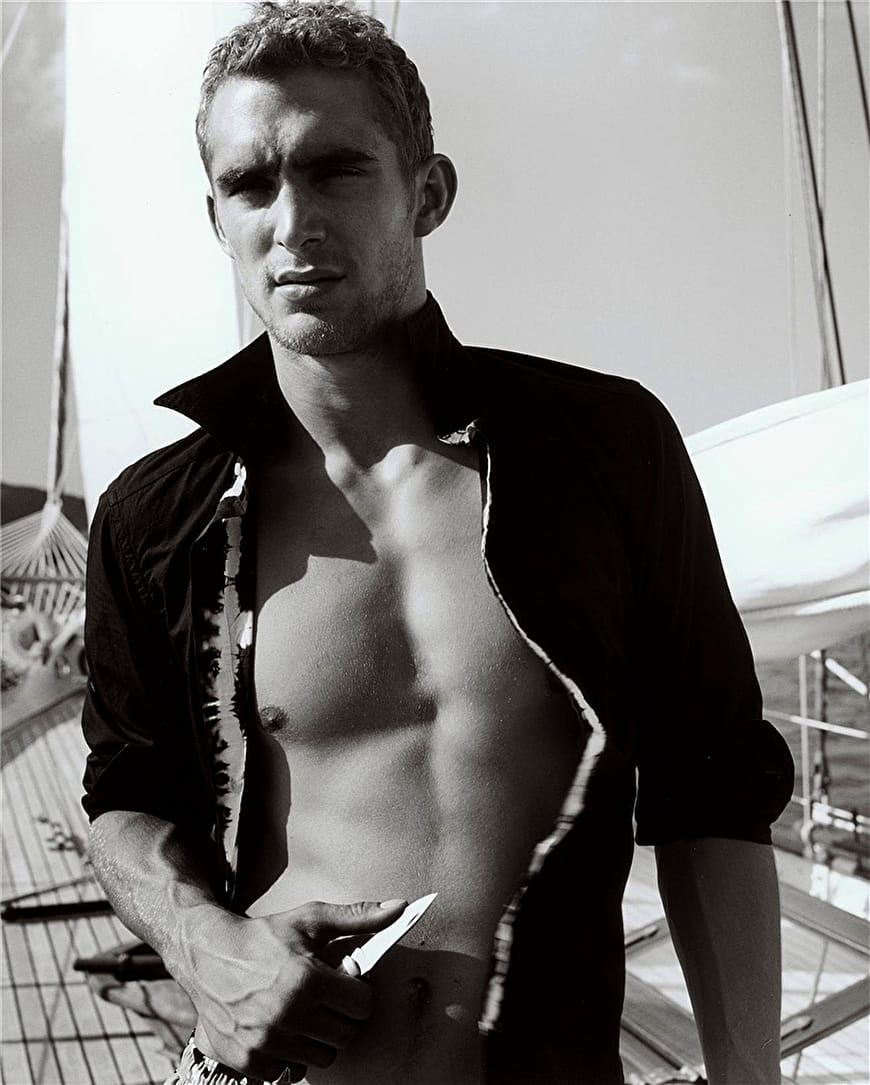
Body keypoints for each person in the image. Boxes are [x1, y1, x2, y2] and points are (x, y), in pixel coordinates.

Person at [81, 3, 794, 1083]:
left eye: (335, 170)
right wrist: (201, 944)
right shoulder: (157, 515)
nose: (291, 221)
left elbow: (713, 785)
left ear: (428, 193)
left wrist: (751, 1075)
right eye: (250, 185)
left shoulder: (606, 449)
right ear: (216, 217)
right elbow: (130, 794)